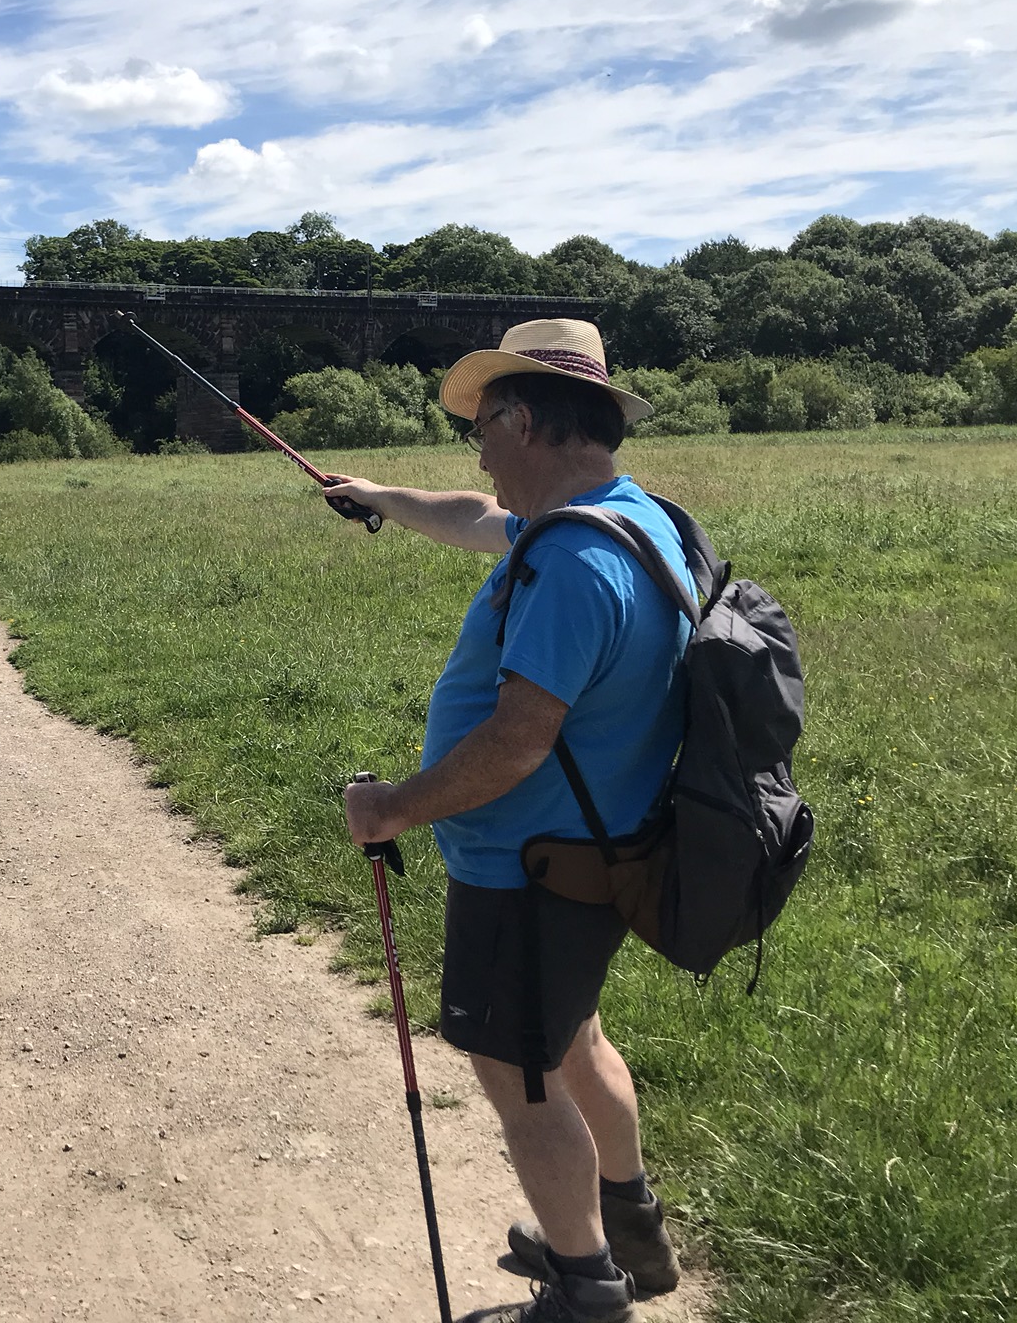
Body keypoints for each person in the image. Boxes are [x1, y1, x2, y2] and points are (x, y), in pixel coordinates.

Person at [328, 318, 688, 1323]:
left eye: (480, 427)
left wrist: (389, 807)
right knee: (573, 1041)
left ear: (521, 418)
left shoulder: (572, 565)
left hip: (525, 870)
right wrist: (378, 499)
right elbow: (470, 516)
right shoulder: (623, 521)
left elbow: (517, 740)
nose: (476, 452)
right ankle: (631, 1235)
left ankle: (585, 1288)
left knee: (521, 1083)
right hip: (592, 858)